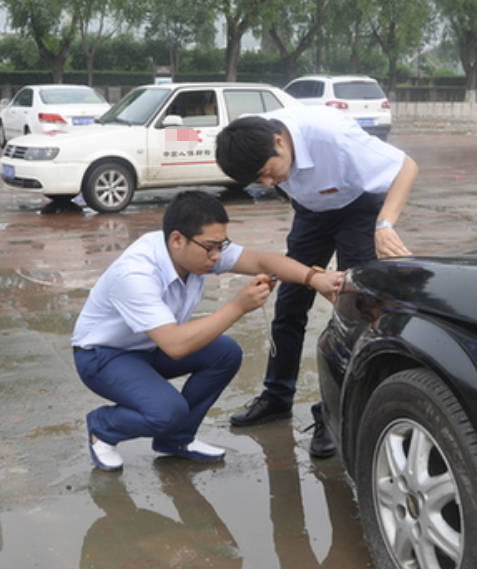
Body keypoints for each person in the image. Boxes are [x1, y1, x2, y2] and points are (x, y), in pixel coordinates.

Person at [72, 190, 341, 472]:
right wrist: (238, 306)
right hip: (103, 356)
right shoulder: (136, 275)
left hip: (149, 347)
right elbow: (175, 345)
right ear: (177, 239)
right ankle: (103, 427)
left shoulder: (195, 250)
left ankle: (175, 439)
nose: (216, 256)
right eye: (210, 247)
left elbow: (262, 261)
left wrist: (315, 279)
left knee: (225, 353)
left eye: (221, 246)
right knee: (167, 411)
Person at [216, 105, 419, 458]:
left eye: (267, 173)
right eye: (257, 180)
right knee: (290, 303)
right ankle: (277, 397)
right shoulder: (258, 138)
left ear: (280, 142)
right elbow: (275, 176)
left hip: (357, 208)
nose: (268, 184)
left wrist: (385, 224)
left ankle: (333, 413)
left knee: (352, 311)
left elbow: (407, 167)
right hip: (311, 214)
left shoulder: (333, 138)